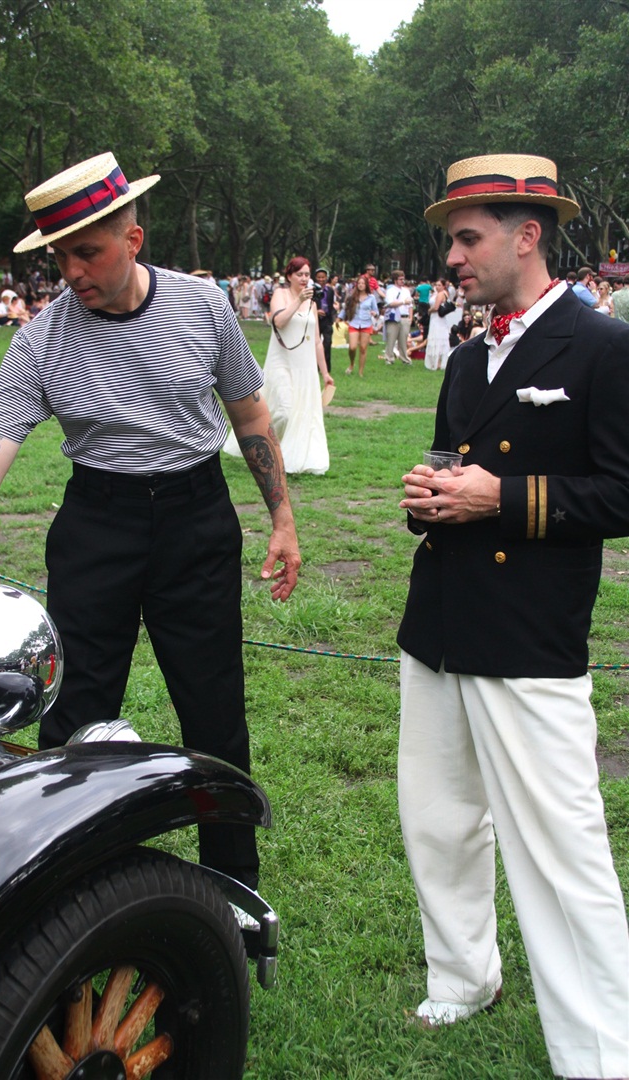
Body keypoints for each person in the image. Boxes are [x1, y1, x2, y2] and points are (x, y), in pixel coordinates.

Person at [0, 152, 301, 895]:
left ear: (134, 239)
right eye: (60, 258)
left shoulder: (202, 306)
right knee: (74, 720)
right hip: (98, 523)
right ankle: (68, 889)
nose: (73, 272)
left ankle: (235, 892)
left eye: (87, 252)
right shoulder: (41, 339)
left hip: (196, 518)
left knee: (214, 711)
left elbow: (249, 415)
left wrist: (282, 519)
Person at [397, 153, 629, 1080]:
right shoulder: (465, 352)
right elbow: (460, 463)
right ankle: (463, 977)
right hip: (441, 622)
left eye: (468, 238)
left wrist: (504, 499)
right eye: (451, 240)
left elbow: (621, 491)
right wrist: (430, 493)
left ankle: (602, 1050)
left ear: (527, 235)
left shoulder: (601, 346)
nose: (453, 257)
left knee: (559, 851)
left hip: (530, 635)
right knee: (439, 819)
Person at [225, 256, 334, 475]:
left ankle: (286, 455)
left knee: (301, 414)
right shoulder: (280, 294)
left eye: (307, 274)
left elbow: (316, 341)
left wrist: (325, 373)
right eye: (299, 274)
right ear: (289, 276)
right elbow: (279, 322)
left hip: (305, 368)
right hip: (281, 363)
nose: (304, 279)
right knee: (283, 411)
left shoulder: (312, 302)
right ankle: (261, 445)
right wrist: (298, 300)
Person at [345, 274, 379, 376]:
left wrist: (375, 313)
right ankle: (351, 364)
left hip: (366, 323)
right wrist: (340, 318)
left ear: (366, 285)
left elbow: (376, 311)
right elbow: (346, 309)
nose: (361, 285)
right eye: (359, 283)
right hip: (354, 323)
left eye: (363, 283)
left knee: (363, 348)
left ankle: (360, 372)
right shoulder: (352, 296)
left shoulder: (371, 297)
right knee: (352, 347)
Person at [380, 269, 413, 365]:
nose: (402, 281)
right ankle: (389, 358)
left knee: (403, 339)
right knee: (391, 338)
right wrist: (403, 302)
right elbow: (390, 303)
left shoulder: (406, 291)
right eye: (400, 279)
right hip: (394, 317)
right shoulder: (390, 291)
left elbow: (410, 305)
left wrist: (410, 318)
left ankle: (404, 358)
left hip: (405, 317)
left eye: (403, 279)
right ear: (395, 280)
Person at [423, 278, 452, 371]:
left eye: (439, 285)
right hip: (437, 318)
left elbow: (436, 307)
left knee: (437, 337)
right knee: (437, 336)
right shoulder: (440, 293)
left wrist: (429, 310)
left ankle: (437, 362)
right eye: (436, 285)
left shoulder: (441, 294)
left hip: (437, 317)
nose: (437, 287)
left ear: (443, 286)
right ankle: (436, 361)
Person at [313, 266, 335, 373]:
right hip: (315, 320)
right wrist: (316, 311)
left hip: (327, 320)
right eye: (319, 277)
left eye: (323, 277)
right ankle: (315, 366)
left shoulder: (330, 290)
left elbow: (331, 305)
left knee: (327, 342)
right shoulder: (311, 290)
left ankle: (326, 368)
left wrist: (331, 319)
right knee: (315, 344)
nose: (321, 279)